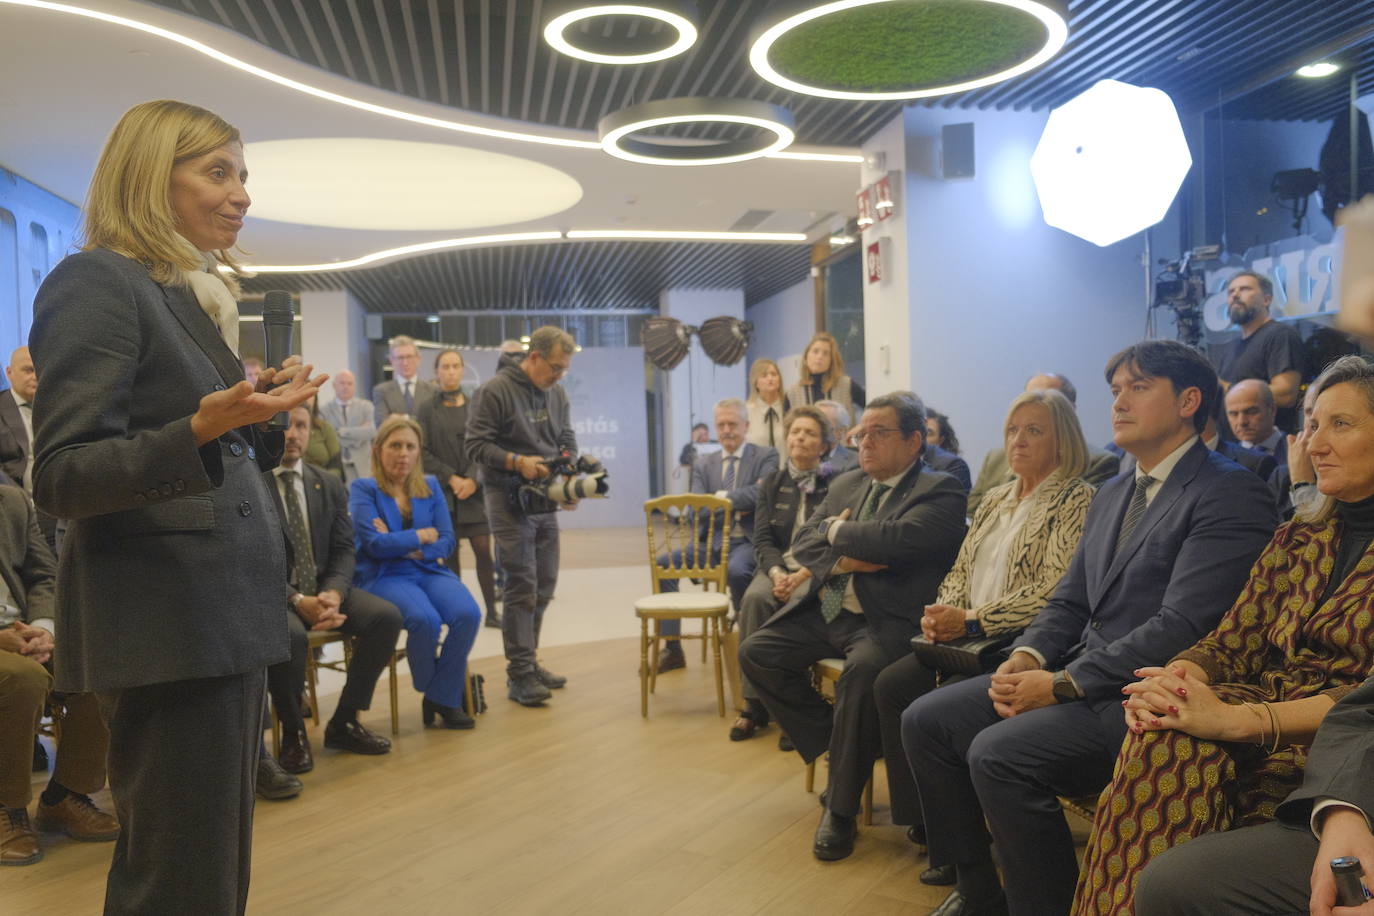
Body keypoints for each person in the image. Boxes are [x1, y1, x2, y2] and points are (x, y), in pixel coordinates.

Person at [28, 99, 324, 914]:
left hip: (218, 619)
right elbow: (61, 474)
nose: (241, 195)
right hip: (165, 624)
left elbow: (218, 455)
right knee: (177, 878)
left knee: (209, 869)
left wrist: (254, 418)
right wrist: (199, 427)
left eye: (243, 176)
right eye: (217, 172)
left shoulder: (179, 295)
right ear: (150, 176)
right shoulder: (95, 281)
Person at [901, 340, 1276, 916]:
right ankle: (979, 892)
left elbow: (1185, 624)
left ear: (1189, 401)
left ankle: (1045, 905)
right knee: (926, 719)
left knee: (997, 755)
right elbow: (1070, 599)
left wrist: (1061, 682)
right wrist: (1028, 656)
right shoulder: (1114, 492)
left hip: (1144, 694)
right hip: (1080, 676)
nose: (1119, 403)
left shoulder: (1228, 491)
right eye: (1116, 391)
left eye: (1138, 387)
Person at [1073, 354, 1374, 914]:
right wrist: (1177, 679)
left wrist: (1236, 720)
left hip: (1341, 740)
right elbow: (1232, 638)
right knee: (1163, 727)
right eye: (1311, 425)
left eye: (1341, 424)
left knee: (1176, 745)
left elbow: (1365, 704)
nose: (1314, 444)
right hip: (1263, 708)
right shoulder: (1298, 537)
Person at [873, 389, 1094, 882]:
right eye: (1013, 430)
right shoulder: (995, 497)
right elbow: (961, 567)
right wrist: (944, 610)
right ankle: (937, 831)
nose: (1018, 440)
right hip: (964, 635)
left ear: (1064, 440)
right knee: (891, 685)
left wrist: (974, 620)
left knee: (935, 711)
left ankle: (966, 855)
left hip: (1017, 643)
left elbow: (1054, 589)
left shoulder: (1076, 498)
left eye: (1034, 430)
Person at [739, 391, 967, 862]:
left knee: (863, 677)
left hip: (888, 621)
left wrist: (835, 535)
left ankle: (839, 811)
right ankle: (845, 743)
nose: (864, 442)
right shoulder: (846, 484)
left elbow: (898, 541)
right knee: (757, 652)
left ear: (913, 441)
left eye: (878, 433)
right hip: (830, 611)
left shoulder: (939, 488)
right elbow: (804, 543)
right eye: (861, 433)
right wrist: (850, 558)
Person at [1131, 671, 1374, 916]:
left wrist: (1242, 720)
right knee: (1172, 881)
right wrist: (1344, 811)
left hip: (1306, 721)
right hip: (1355, 786)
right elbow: (1365, 706)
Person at [264, 405, 403, 773]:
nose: (293, 434)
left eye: (302, 426)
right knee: (290, 638)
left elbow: (344, 549)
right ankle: (293, 734)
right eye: (286, 426)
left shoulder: (326, 482)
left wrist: (334, 594)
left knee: (385, 618)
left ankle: (344, 721)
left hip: (326, 587)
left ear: (311, 432)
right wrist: (296, 599)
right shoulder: (254, 484)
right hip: (277, 597)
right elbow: (250, 562)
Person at [0, 484, 117, 866]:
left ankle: (65, 795)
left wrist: (44, 627)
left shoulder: (13, 501)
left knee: (96, 658)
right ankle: (8, 807)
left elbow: (43, 574)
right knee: (23, 679)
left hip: (23, 630)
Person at [466, 326, 578, 707]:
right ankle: (519, 675)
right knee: (521, 584)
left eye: (564, 369)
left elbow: (566, 437)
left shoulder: (557, 391)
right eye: (555, 367)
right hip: (507, 496)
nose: (559, 375)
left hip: (546, 497)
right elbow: (476, 445)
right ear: (534, 357)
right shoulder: (495, 390)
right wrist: (516, 461)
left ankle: (529, 662)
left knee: (544, 585)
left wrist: (571, 476)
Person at [351, 416, 481, 729]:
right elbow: (375, 545)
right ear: (378, 449)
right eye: (395, 446)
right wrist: (422, 535)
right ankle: (440, 694)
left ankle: (441, 696)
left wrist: (409, 544)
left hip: (428, 569)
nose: (404, 453)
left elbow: (447, 539)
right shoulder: (363, 488)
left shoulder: (431, 486)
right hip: (385, 574)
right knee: (425, 621)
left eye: (410, 446)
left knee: (469, 614)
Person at [730, 405, 837, 743]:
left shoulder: (837, 482)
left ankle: (791, 712)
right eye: (795, 432)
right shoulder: (772, 482)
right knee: (755, 598)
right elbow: (762, 538)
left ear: (823, 445)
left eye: (809, 433)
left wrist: (802, 576)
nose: (800, 437)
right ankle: (753, 706)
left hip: (816, 572)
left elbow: (835, 542)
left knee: (799, 603)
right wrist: (777, 573)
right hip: (778, 568)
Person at [655, 397, 778, 672]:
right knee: (663, 564)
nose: (727, 430)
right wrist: (737, 502)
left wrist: (719, 498)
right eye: (721, 425)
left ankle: (746, 643)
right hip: (710, 542)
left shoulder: (765, 456)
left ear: (745, 425)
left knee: (737, 570)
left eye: (732, 424)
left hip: (745, 542)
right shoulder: (703, 463)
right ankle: (673, 649)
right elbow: (695, 509)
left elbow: (762, 494)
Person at [417, 348, 500, 629]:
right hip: (444, 492)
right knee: (450, 557)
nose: (451, 371)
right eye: (445, 367)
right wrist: (452, 478)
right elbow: (423, 450)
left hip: (474, 492)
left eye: (455, 366)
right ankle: (460, 612)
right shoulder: (426, 408)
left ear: (462, 370)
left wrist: (473, 478)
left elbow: (486, 442)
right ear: (437, 372)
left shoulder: (476, 404)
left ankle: (492, 612)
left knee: (483, 552)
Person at [967, 372, 1121, 515]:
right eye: (1013, 429)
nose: (1035, 406)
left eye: (1033, 430)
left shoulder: (1098, 464)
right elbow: (971, 512)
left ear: (1069, 411)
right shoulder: (995, 460)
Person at [1213, 270, 1306, 432]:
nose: (1235, 295)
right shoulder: (1232, 347)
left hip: (1269, 450)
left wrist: (1227, 388)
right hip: (1234, 450)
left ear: (1266, 299)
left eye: (1244, 289)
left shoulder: (1280, 335)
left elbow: (1286, 394)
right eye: (1231, 291)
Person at [784, 331, 865, 419]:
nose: (820, 357)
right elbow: (786, 426)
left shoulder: (846, 385)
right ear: (806, 356)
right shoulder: (792, 392)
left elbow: (870, 408)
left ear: (832, 360)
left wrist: (860, 428)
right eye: (815, 351)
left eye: (826, 353)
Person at [320, 369, 376, 483]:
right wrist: (358, 435)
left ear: (354, 386)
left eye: (349, 383)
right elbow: (326, 437)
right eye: (342, 383)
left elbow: (372, 431)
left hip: (363, 466)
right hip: (336, 466)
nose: (346, 387)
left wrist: (340, 432)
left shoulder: (366, 406)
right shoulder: (324, 410)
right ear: (334, 385)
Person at [373, 335, 435, 423]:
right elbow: (381, 424)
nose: (405, 363)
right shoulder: (381, 391)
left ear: (418, 359)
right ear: (392, 361)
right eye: (400, 358)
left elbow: (434, 422)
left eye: (409, 357)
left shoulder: (432, 390)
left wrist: (400, 419)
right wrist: (418, 419)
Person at [1225, 377, 1287, 463]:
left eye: (1251, 412)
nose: (1242, 422)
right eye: (1234, 414)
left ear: (1272, 410)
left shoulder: (1299, 451)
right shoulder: (1224, 459)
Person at [301, 395, 344, 481]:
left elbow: (336, 464)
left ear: (315, 400)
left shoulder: (324, 428)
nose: (305, 399)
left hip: (325, 482)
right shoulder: (285, 430)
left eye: (309, 395)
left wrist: (325, 482)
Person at [746, 358, 787, 449]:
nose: (770, 378)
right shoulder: (747, 412)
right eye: (764, 375)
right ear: (756, 383)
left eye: (774, 374)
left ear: (779, 380)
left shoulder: (788, 408)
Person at [817, 399, 857, 471]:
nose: (814, 428)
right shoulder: (798, 458)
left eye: (822, 423)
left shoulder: (855, 463)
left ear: (841, 431)